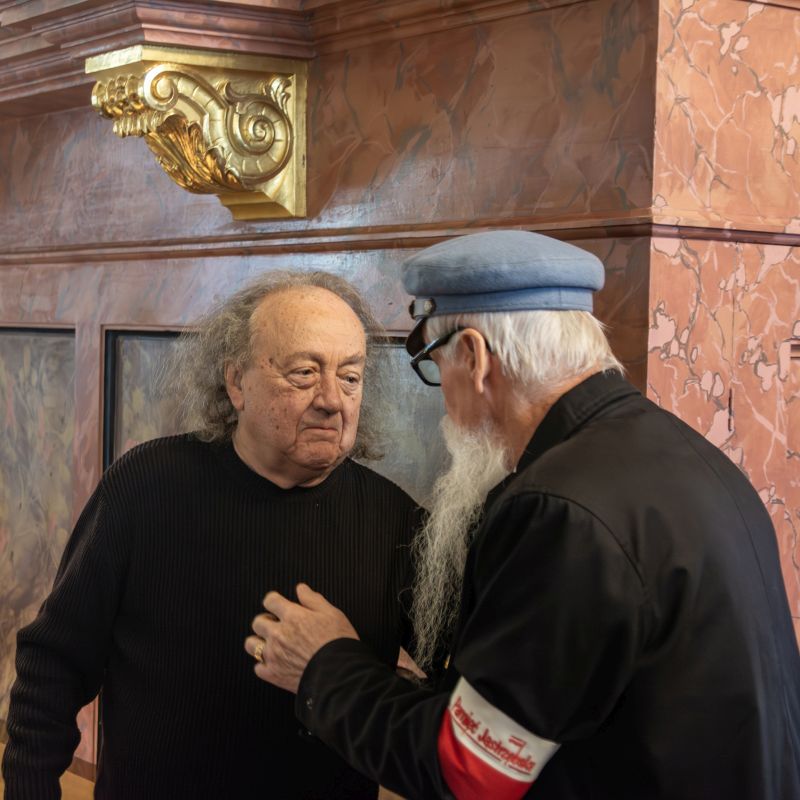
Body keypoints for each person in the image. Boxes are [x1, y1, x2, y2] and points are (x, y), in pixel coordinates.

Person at [247, 231, 800, 800]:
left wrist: (325, 667)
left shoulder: (559, 510)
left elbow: (472, 770)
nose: (445, 404)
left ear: (473, 356)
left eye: (437, 366)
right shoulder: (687, 454)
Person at [2, 271, 421, 799]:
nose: (332, 400)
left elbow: (468, 701)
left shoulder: (398, 521)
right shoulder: (145, 486)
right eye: (304, 373)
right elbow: (53, 666)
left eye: (351, 377)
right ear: (237, 382)